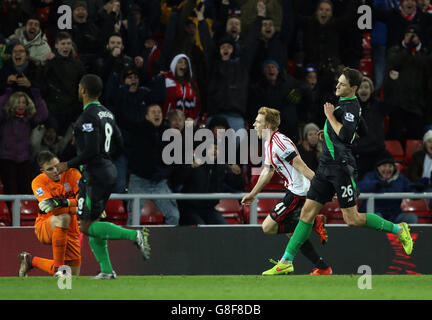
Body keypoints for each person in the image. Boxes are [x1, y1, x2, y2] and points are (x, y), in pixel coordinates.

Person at [271, 67, 414, 274]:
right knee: (307, 212)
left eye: (342, 84)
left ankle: (399, 230)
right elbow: (361, 131)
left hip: (341, 169)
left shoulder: (352, 106)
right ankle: (286, 261)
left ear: (353, 88)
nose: (337, 86)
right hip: (325, 167)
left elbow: (347, 136)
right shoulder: (347, 105)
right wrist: (329, 133)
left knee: (352, 219)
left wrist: (330, 118)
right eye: (337, 82)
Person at [56, 74, 150, 279]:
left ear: (83, 90)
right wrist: (105, 159)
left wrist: (67, 165)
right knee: (93, 221)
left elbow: (90, 151)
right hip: (107, 170)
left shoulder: (86, 117)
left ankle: (134, 235)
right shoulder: (107, 113)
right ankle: (107, 270)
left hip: (95, 175)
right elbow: (119, 142)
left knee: (85, 225)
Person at [241, 107, 331, 276]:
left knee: (268, 227)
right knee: (292, 232)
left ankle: (313, 225)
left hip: (299, 192)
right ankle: (323, 267)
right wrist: (253, 194)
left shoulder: (280, 143)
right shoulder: (269, 142)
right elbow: (267, 172)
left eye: (258, 122)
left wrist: (322, 185)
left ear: (267, 125)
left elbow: (302, 166)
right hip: (294, 190)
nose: (254, 125)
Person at [18, 151, 82, 277]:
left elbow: (83, 201)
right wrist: (76, 206)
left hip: (72, 231)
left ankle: (30, 260)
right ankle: (58, 267)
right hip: (46, 226)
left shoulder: (73, 174)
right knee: (63, 217)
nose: (55, 171)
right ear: (43, 171)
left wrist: (64, 203)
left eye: (57, 166)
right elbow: (54, 211)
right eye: (50, 169)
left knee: (72, 279)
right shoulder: (38, 182)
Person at [127, 103, 180, 225]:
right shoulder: (138, 132)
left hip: (159, 183)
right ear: (146, 116)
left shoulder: (169, 134)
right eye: (153, 112)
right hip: (139, 181)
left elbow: (173, 161)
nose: (157, 114)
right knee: (133, 219)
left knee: (174, 215)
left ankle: (169, 243)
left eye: (159, 112)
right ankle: (129, 243)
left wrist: (163, 173)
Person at [384, 24, 431, 142]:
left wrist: (414, 51)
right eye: (408, 35)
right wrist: (407, 50)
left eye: (413, 36)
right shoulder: (395, 50)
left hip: (417, 104)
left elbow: (426, 65)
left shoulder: (425, 52)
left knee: (415, 138)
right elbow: (392, 62)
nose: (410, 38)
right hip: (397, 103)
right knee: (395, 137)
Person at [0, 88, 48, 195]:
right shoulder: (5, 118)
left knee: (24, 190)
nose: (21, 105)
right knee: (10, 190)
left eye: (23, 102)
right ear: (12, 103)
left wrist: (35, 93)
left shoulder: (29, 119)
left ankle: (21, 212)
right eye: (18, 102)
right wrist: (7, 92)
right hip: (7, 159)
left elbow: (43, 114)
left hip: (24, 159)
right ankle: (10, 212)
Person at [358, 150, 418, 224]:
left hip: (394, 216)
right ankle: (375, 236)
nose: (387, 169)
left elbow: (413, 193)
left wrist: (418, 189)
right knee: (376, 218)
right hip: (375, 214)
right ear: (378, 167)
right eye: (384, 166)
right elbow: (360, 187)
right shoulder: (370, 176)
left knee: (411, 217)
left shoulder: (400, 178)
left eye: (390, 166)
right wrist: (376, 185)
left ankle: (404, 235)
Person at [43, 31, 86, 134]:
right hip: (54, 109)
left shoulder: (78, 65)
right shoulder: (49, 63)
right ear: (56, 45)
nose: (66, 46)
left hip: (71, 110)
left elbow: (83, 87)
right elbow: (43, 83)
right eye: (63, 44)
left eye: (68, 43)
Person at [352, 76, 388, 180]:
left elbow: (393, 101)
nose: (363, 89)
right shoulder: (350, 106)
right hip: (359, 153)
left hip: (377, 152)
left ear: (371, 90)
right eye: (361, 87)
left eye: (366, 87)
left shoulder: (379, 105)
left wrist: (392, 80)